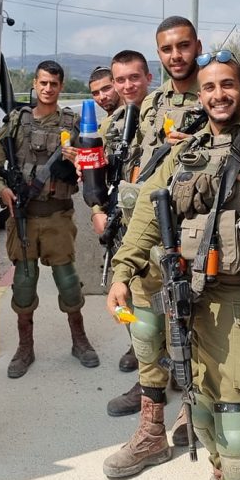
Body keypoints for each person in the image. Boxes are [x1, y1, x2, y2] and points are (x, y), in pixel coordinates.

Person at [106, 52, 240, 480]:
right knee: (201, 414)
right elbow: (147, 208)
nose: (219, 95)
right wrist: (122, 271)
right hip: (191, 297)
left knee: (238, 429)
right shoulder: (187, 151)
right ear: (198, 96)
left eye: (228, 85)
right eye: (209, 87)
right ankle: (222, 475)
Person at [0, 60, 100, 379]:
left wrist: (78, 160)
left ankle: (80, 341)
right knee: (23, 286)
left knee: (69, 284)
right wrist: (3, 191)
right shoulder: (16, 123)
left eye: (54, 84)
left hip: (58, 217)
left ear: (61, 87)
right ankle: (25, 348)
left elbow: (91, 171)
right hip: (24, 218)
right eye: (43, 83)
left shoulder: (72, 124)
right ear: (35, 84)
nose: (48, 89)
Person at [92, 50, 154, 394]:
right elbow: (97, 176)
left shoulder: (167, 115)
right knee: (129, 297)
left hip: (164, 226)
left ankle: (169, 371)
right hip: (125, 225)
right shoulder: (112, 124)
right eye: (120, 80)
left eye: (134, 77)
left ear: (148, 77)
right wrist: (96, 211)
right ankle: (145, 368)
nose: (127, 85)